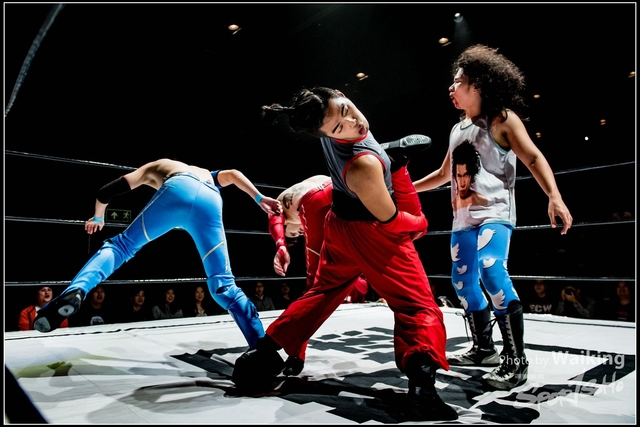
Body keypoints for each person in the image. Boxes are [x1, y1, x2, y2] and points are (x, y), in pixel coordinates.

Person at [233, 87, 457, 421]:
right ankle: (423, 390)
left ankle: (261, 356)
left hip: (339, 225)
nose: (353, 122)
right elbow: (390, 220)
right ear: (325, 133)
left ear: (340, 95)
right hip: (372, 230)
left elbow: (335, 115)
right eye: (340, 127)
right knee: (417, 305)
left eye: (348, 109)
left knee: (323, 291)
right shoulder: (363, 164)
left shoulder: (324, 119)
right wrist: (418, 219)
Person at [413, 44, 573, 391]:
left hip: (495, 214)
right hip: (462, 218)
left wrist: (554, 196)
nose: (451, 87)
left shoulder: (502, 119)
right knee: (462, 283)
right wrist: (406, 190)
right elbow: (443, 174)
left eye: (458, 81)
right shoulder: (457, 129)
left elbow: (533, 157)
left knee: (491, 269)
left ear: (479, 85)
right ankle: (484, 349)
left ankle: (516, 362)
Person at [34, 158, 281, 351]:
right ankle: (262, 348)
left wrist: (98, 217)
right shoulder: (206, 173)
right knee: (223, 283)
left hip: (178, 188)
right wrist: (259, 198)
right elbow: (234, 174)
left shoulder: (155, 166)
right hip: (210, 199)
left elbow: (105, 191)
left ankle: (77, 290)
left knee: (121, 247)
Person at [266, 134, 433, 374]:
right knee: (401, 229)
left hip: (315, 203)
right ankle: (395, 167)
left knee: (316, 285)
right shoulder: (297, 186)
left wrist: (281, 244)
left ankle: (295, 353)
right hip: (340, 188)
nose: (300, 233)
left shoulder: (284, 205)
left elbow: (274, 218)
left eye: (296, 232)